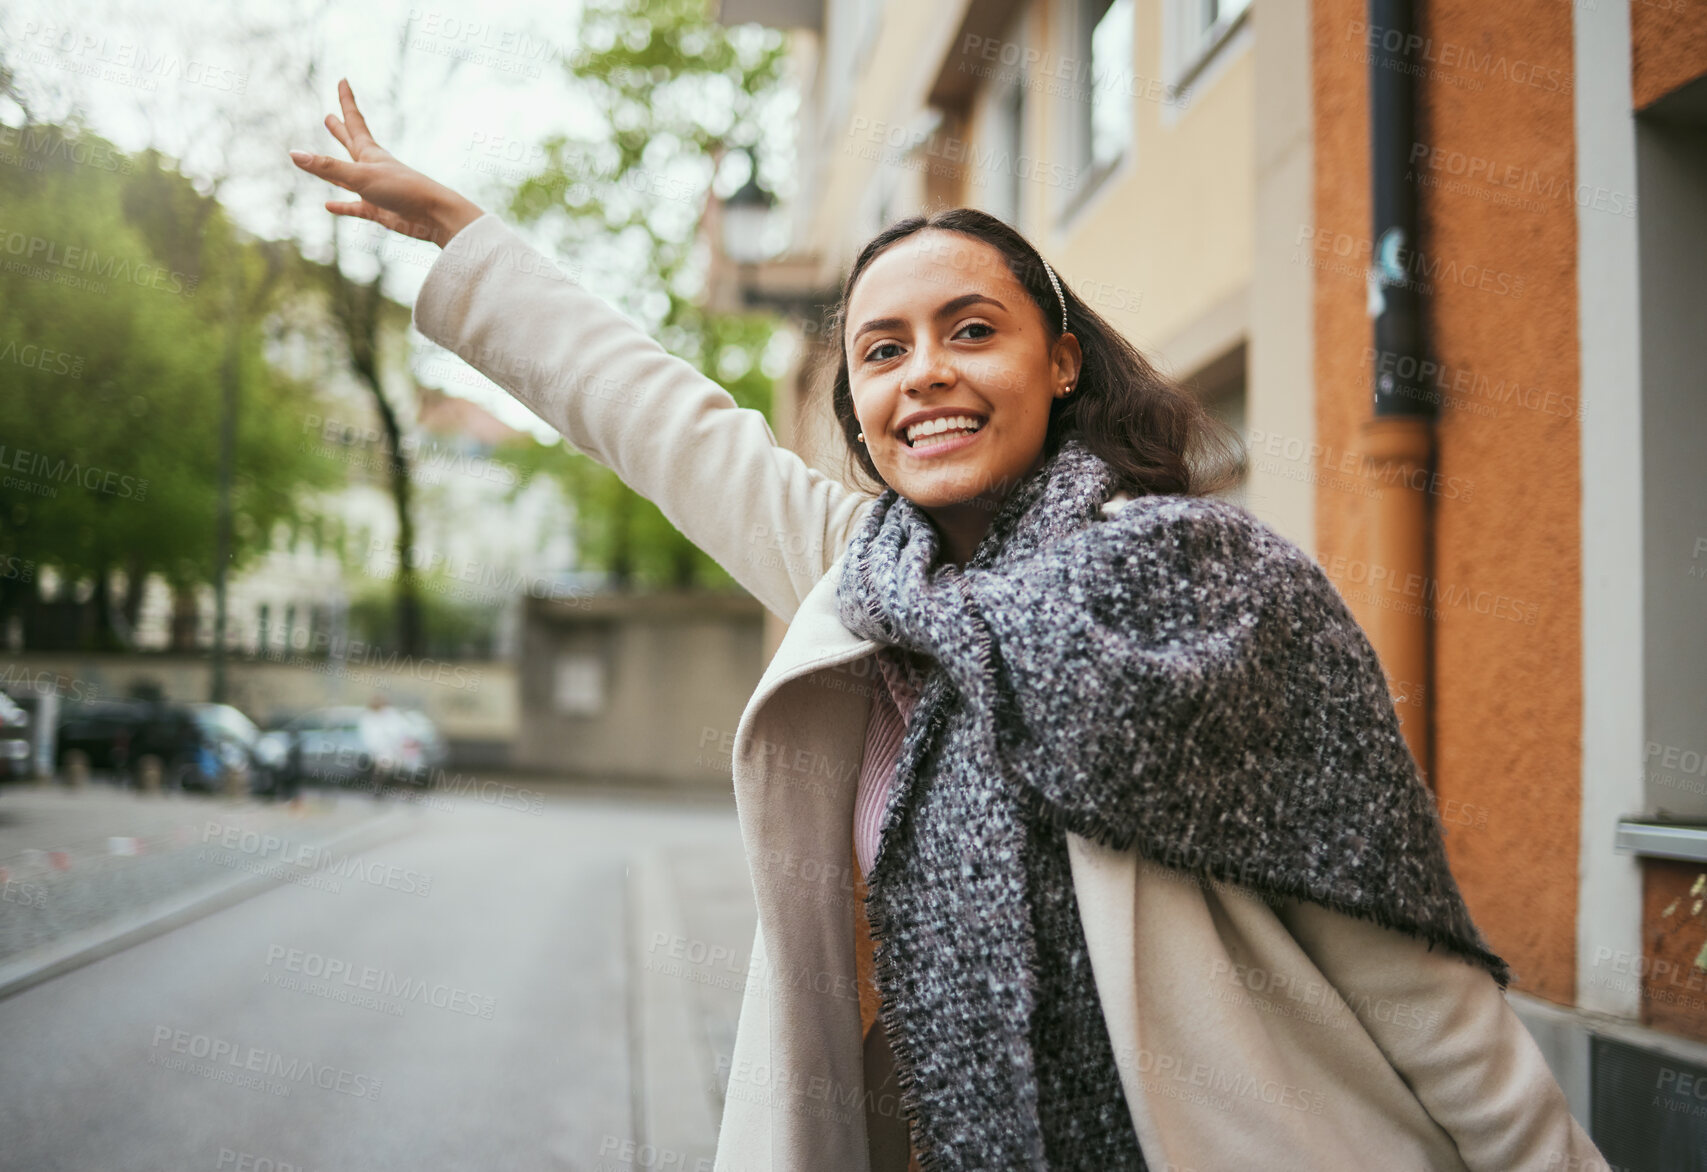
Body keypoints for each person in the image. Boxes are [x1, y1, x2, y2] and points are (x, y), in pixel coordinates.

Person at [288, 80, 1613, 1172]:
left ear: (1060, 356)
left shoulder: (1219, 593)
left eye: (969, 330)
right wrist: (474, 241)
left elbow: (1418, 986)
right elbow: (657, 417)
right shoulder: (856, 582)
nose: (924, 371)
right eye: (881, 351)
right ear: (859, 405)